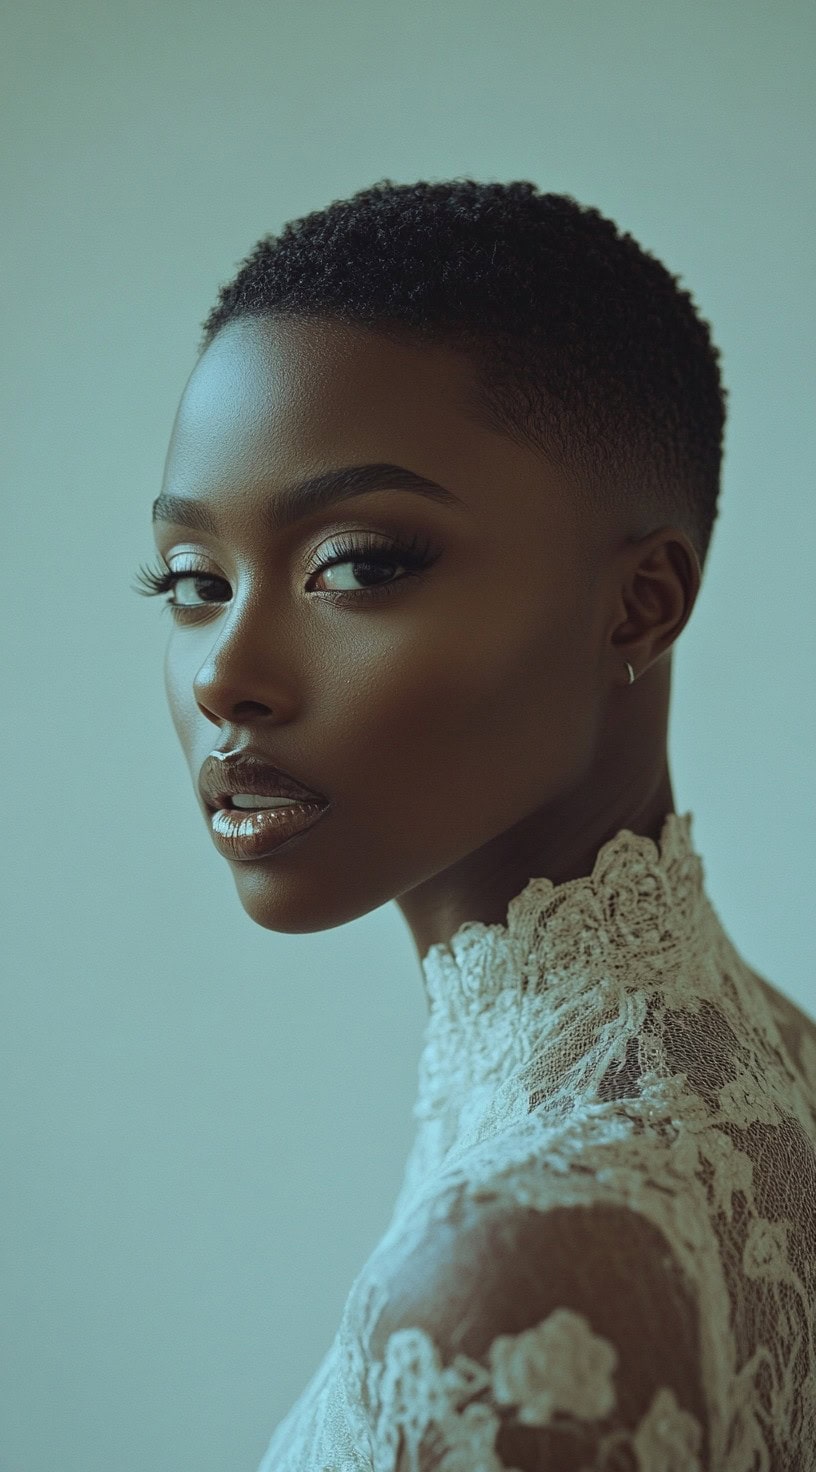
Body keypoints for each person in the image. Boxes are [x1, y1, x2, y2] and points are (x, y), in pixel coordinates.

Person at [134, 179, 816, 1471]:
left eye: (360, 564)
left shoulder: (519, 1282)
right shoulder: (769, 1062)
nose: (226, 672)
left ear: (640, 607)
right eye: (191, 581)